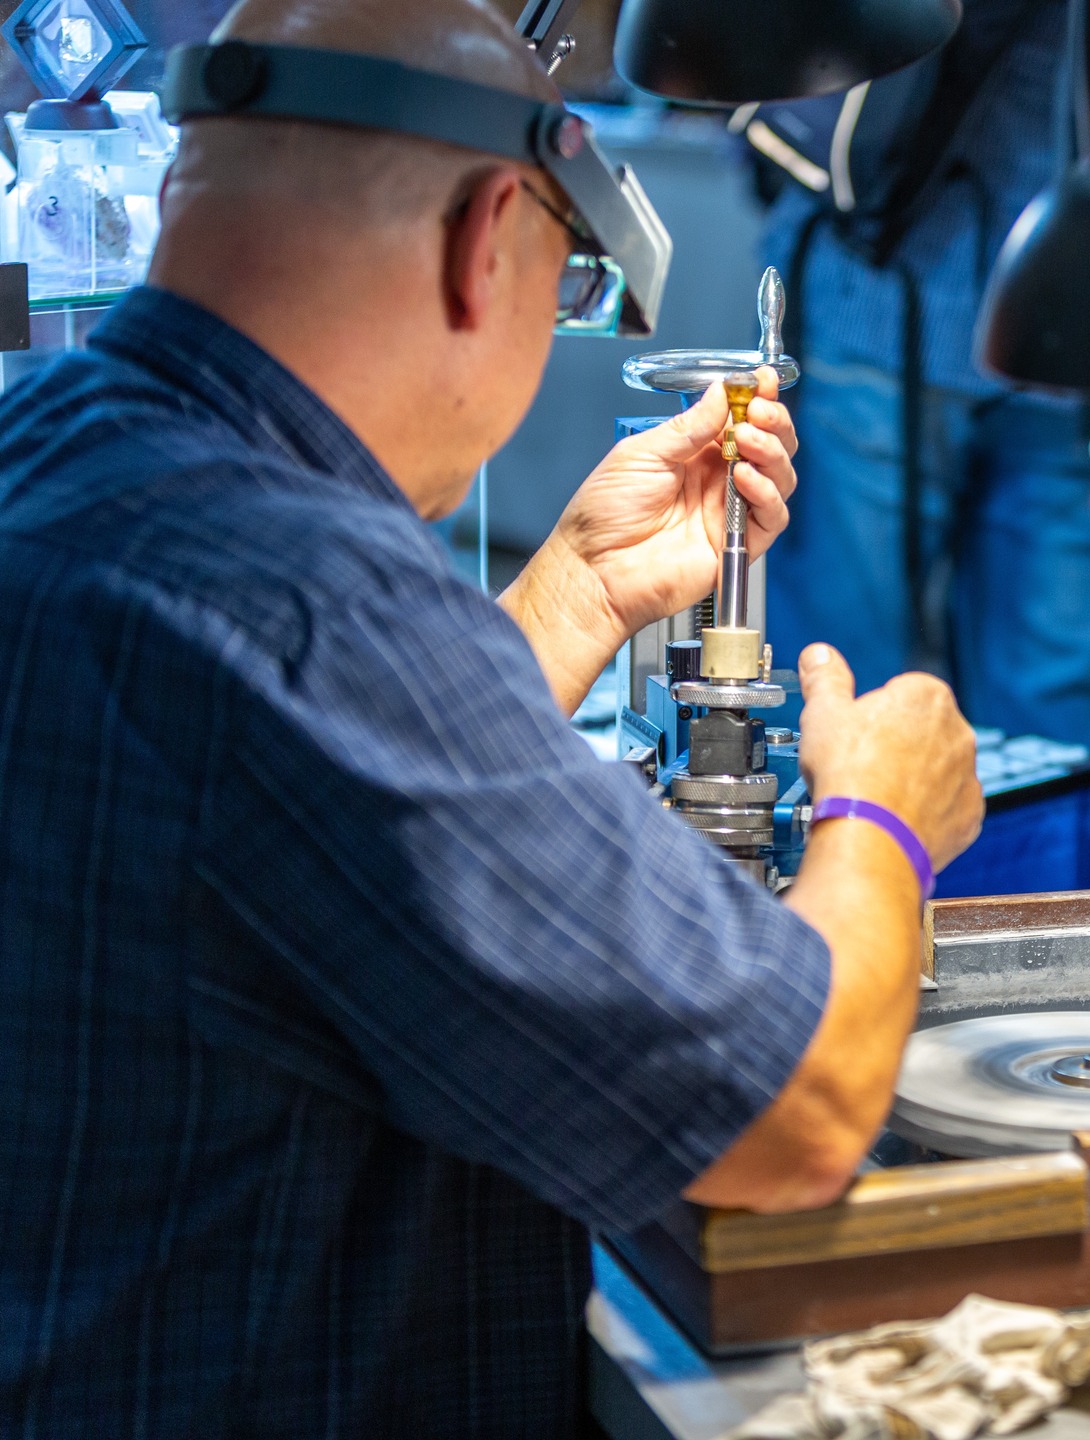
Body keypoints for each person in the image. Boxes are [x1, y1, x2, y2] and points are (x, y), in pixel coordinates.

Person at [0, 1, 986, 1435]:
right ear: (484, 239)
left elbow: (326, 827)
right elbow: (794, 1112)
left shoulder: (52, 456)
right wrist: (882, 814)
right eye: (566, 269)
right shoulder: (312, 604)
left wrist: (578, 590)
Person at [756, 0, 1090, 758]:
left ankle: (1024, 852)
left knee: (1050, 718)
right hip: (880, 296)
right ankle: (838, 840)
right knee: (843, 683)